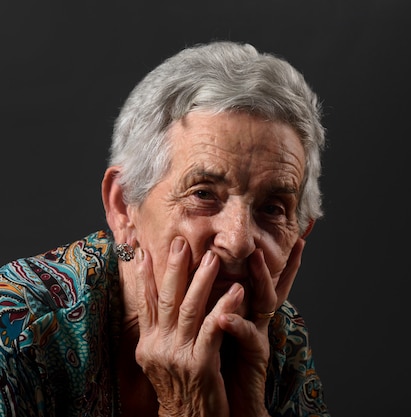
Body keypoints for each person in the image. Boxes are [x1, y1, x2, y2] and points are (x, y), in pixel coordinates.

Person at [0, 40, 330, 417]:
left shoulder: (279, 340)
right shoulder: (17, 328)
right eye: (203, 193)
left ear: (300, 234)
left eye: (272, 208)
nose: (238, 241)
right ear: (124, 207)